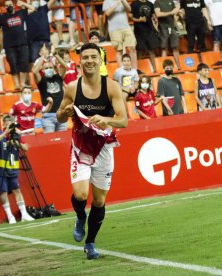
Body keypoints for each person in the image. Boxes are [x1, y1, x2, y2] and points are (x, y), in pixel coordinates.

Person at [56, 43, 128, 259]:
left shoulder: (112, 87)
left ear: (100, 60)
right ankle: (80, 216)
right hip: (81, 146)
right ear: (80, 61)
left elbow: (123, 121)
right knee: (80, 194)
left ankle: (90, 243)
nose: (89, 60)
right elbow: (59, 116)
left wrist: (105, 119)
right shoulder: (72, 88)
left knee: (98, 201)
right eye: (85, 57)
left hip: (105, 147)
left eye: (93, 57)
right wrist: (64, 112)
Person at [0, 114, 34, 223]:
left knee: (17, 190)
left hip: (11, 169)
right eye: (7, 125)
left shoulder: (15, 136)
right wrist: (5, 133)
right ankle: (10, 216)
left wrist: (16, 143)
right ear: (3, 124)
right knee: (2, 192)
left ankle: (24, 214)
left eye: (11, 125)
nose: (9, 127)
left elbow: (26, 147)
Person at [0, 0, 35, 91]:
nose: (8, 6)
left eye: (9, 4)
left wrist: (23, 3)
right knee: (13, 64)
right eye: (6, 5)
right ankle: (17, 84)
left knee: (24, 63)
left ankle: (22, 83)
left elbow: (33, 8)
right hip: (9, 45)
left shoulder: (21, 13)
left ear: (13, 5)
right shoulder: (2, 17)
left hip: (22, 43)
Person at [33, 47, 68, 133]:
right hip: (48, 117)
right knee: (50, 141)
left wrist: (55, 55)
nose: (49, 69)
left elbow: (64, 66)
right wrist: (43, 57)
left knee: (62, 141)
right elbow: (34, 71)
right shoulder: (41, 81)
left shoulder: (58, 77)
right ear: (43, 70)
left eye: (50, 67)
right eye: (46, 68)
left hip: (61, 114)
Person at [103, 0, 138, 69]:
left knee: (132, 48)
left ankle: (134, 70)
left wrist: (123, 1)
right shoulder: (106, 1)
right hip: (114, 29)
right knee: (119, 50)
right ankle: (122, 71)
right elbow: (107, 13)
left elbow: (129, 9)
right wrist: (118, 3)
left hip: (126, 27)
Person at [26, 0, 59, 64]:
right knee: (34, 63)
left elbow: (53, 1)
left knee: (49, 62)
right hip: (33, 42)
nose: (36, 1)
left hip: (45, 41)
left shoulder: (43, 8)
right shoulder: (26, 11)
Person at [131, 0, 159, 70]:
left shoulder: (150, 3)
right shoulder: (134, 3)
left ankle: (155, 70)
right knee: (139, 50)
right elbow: (130, 17)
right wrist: (139, 20)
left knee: (152, 50)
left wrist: (155, 19)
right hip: (139, 31)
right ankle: (139, 70)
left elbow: (153, 14)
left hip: (150, 30)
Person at [154, 0, 180, 66]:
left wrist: (176, 10)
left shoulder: (171, 1)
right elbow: (158, 14)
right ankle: (164, 67)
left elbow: (176, 10)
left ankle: (179, 66)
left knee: (175, 47)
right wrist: (171, 12)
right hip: (163, 27)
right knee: (164, 48)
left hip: (171, 27)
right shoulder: (157, 2)